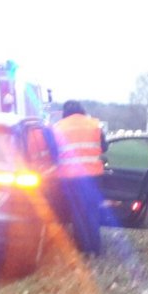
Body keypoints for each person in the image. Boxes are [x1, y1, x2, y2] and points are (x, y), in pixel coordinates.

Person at [52, 100, 107, 255]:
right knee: (92, 210)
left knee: (77, 213)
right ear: (82, 110)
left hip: (71, 178)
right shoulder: (94, 124)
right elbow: (104, 147)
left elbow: (54, 153)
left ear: (65, 112)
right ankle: (95, 249)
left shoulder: (58, 128)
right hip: (93, 177)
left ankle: (83, 248)